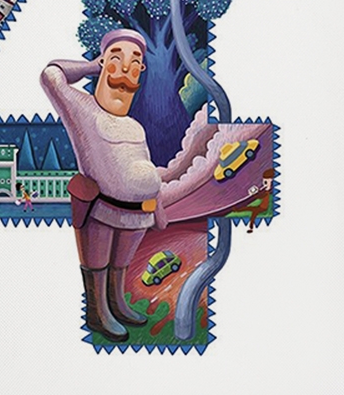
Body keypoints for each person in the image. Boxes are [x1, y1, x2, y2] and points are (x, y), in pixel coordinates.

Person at [40, 29, 223, 342]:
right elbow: (50, 75)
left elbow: (146, 168)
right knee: (98, 263)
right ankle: (98, 312)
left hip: (139, 214)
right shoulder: (84, 110)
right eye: (117, 59)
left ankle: (118, 304)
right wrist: (92, 66)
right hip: (102, 210)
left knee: (120, 264)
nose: (126, 69)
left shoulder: (135, 126)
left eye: (135, 62)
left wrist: (158, 208)